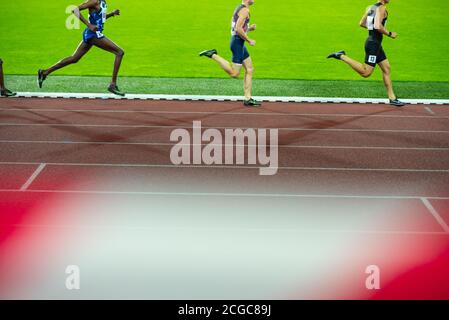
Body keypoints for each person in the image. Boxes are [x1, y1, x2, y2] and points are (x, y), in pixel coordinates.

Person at [38, 0, 125, 96]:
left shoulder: (102, 2)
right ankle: (113, 84)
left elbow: (101, 18)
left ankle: (45, 72)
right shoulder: (94, 1)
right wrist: (89, 25)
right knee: (119, 52)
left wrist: (112, 14)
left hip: (92, 33)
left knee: (74, 58)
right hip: (93, 34)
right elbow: (75, 10)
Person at [327, 0, 405, 107]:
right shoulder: (382, 8)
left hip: (375, 43)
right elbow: (378, 26)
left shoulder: (371, 7)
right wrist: (390, 34)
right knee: (366, 72)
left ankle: (392, 98)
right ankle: (341, 55)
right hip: (373, 45)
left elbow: (362, 23)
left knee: (386, 68)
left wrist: (373, 30)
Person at [199, 0, 261, 107]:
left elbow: (236, 27)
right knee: (234, 73)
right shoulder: (245, 10)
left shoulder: (239, 8)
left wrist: (249, 28)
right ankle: (213, 54)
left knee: (250, 69)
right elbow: (237, 29)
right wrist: (249, 40)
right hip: (237, 43)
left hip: (238, 42)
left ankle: (248, 98)